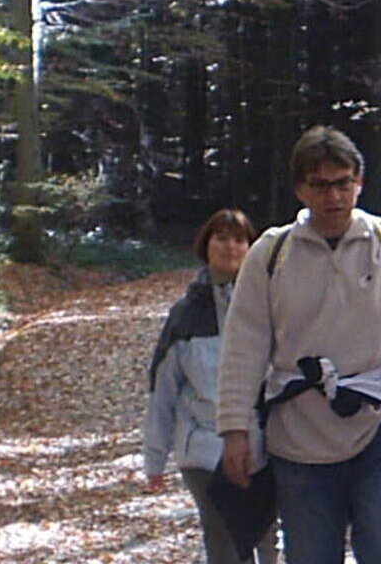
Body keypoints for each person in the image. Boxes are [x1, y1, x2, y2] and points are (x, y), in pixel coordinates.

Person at [215, 126, 381, 564]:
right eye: (320, 185)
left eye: (342, 183)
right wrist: (235, 429)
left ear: (359, 182)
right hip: (296, 436)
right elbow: (245, 345)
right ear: (301, 188)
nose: (333, 197)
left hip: (379, 429)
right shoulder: (271, 252)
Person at [143, 208, 279, 564]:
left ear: (252, 248)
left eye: (239, 239)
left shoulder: (271, 307)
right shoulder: (185, 316)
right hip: (203, 451)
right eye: (221, 237)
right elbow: (163, 391)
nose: (230, 247)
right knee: (224, 545)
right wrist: (154, 459)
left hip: (266, 447)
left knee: (265, 541)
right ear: (206, 244)